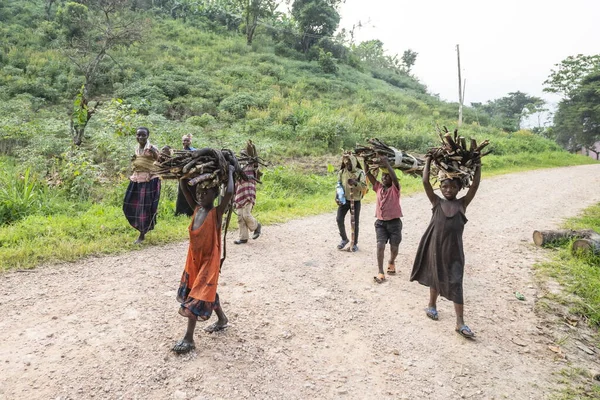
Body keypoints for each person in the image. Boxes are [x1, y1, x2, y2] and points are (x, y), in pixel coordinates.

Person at [409, 155, 481, 339]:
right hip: (436, 247)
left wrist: (478, 164)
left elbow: (475, 186)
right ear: (440, 188)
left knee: (456, 282)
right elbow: (425, 182)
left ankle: (460, 322)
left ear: (459, 188)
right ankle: (432, 305)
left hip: (455, 251)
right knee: (435, 275)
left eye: (453, 187)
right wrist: (428, 161)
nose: (448, 190)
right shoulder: (437, 202)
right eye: (444, 186)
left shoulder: (462, 204)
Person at [172, 163, 235, 354]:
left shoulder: (215, 214)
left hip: (209, 262)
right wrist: (181, 176)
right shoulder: (197, 209)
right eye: (199, 191)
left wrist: (231, 172)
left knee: (197, 295)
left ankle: (188, 338)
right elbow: (185, 189)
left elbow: (230, 193)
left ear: (215, 195)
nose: (200, 195)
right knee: (205, 292)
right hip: (193, 261)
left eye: (206, 192)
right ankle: (222, 319)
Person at [364, 156, 403, 284]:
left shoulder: (395, 188)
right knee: (380, 246)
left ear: (392, 179)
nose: (384, 178)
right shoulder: (379, 188)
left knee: (394, 247)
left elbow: (395, 178)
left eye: (387, 176)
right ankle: (380, 272)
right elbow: (370, 177)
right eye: (383, 176)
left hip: (394, 223)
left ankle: (391, 261)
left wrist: (387, 164)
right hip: (380, 223)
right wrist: (365, 164)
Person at [122, 127, 161, 244]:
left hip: (149, 180)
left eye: (143, 135)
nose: (140, 137)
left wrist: (154, 152)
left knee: (144, 208)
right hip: (136, 179)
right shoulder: (136, 148)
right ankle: (140, 228)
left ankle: (142, 235)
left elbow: (159, 159)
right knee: (128, 203)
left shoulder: (151, 148)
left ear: (147, 136)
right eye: (138, 135)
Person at [335, 153, 367, 252]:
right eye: (346, 164)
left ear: (353, 163)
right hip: (344, 200)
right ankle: (344, 239)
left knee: (354, 222)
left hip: (355, 201)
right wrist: (337, 197)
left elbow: (364, 187)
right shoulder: (342, 172)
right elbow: (339, 185)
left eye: (349, 164)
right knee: (339, 219)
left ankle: (355, 243)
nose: (347, 166)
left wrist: (355, 183)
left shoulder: (360, 173)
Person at [233, 151, 261, 244]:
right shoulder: (238, 168)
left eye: (244, 155)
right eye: (241, 155)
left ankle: (257, 226)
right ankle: (243, 238)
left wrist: (253, 157)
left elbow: (256, 165)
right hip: (240, 193)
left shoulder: (251, 165)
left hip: (249, 193)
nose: (242, 157)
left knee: (246, 214)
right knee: (240, 217)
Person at [175, 134, 197, 217]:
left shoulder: (194, 151)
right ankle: (180, 212)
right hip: (182, 176)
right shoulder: (179, 152)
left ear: (190, 141)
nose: (185, 142)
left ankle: (191, 212)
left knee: (192, 193)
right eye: (184, 140)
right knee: (181, 194)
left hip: (192, 176)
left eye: (187, 140)